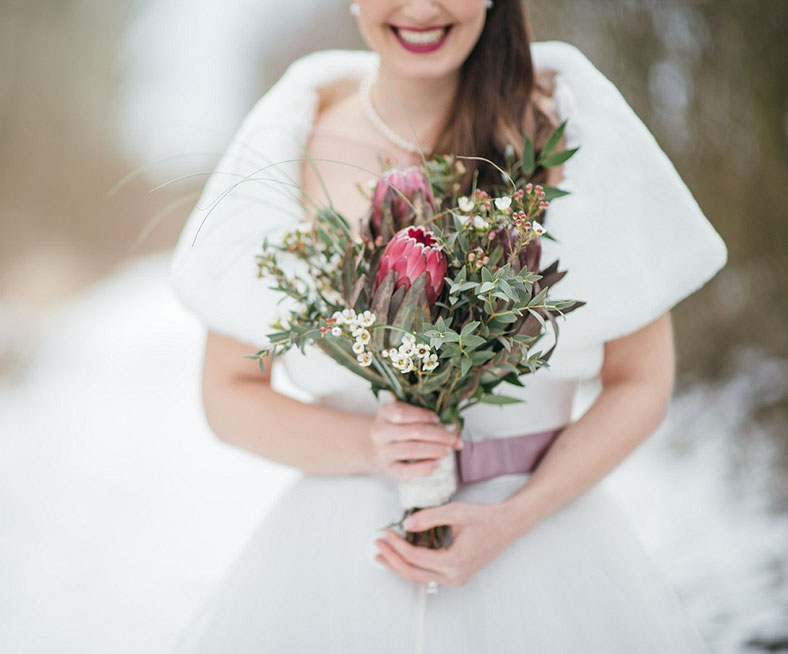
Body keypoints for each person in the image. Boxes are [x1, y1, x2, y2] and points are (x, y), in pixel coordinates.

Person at [166, 1, 728, 651]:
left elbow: (642, 379)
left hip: (541, 550)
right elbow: (228, 394)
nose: (423, 7)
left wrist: (514, 518)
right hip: (337, 564)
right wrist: (372, 445)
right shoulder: (289, 143)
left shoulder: (571, 133)